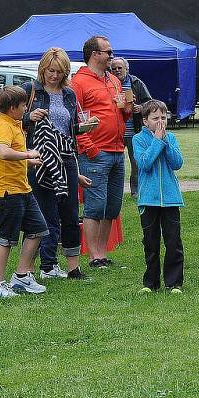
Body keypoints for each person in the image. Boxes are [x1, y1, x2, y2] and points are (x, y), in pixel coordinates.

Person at [23, 48, 93, 280]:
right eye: (51, 71)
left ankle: (73, 267)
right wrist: (28, 117)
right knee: (46, 215)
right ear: (43, 68)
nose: (54, 75)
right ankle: (47, 265)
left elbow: (71, 128)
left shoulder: (69, 94)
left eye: (59, 72)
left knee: (70, 213)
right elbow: (9, 118)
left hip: (66, 157)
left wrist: (85, 126)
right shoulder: (30, 91)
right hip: (40, 157)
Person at [71, 35, 132, 269]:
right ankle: (95, 256)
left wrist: (127, 109)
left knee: (112, 206)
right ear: (94, 54)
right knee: (95, 205)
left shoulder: (113, 80)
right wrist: (90, 148)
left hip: (117, 150)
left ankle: (103, 253)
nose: (111, 55)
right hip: (97, 152)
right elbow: (74, 121)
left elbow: (120, 114)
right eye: (108, 52)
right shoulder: (79, 83)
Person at [0, 86, 49, 298]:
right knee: (7, 239)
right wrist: (27, 154)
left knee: (38, 230)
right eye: (24, 105)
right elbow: (3, 152)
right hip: (6, 192)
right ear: (13, 107)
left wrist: (29, 162)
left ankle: (21, 276)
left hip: (22, 189)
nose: (26, 108)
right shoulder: (3, 125)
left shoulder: (14, 124)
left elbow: (8, 157)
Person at [133, 100, 185, 293]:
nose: (160, 121)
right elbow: (144, 163)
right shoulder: (139, 139)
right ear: (146, 121)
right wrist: (156, 141)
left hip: (171, 199)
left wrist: (164, 141)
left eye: (163, 117)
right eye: (155, 118)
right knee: (151, 242)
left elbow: (177, 162)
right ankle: (150, 283)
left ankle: (174, 282)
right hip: (148, 198)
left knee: (173, 241)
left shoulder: (170, 138)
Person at [110, 57, 152, 197]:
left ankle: (136, 191)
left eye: (119, 68)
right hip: (116, 132)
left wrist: (141, 108)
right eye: (114, 68)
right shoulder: (109, 83)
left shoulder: (136, 82)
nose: (116, 70)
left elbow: (150, 103)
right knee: (114, 163)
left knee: (136, 162)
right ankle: (115, 192)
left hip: (134, 130)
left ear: (126, 69)